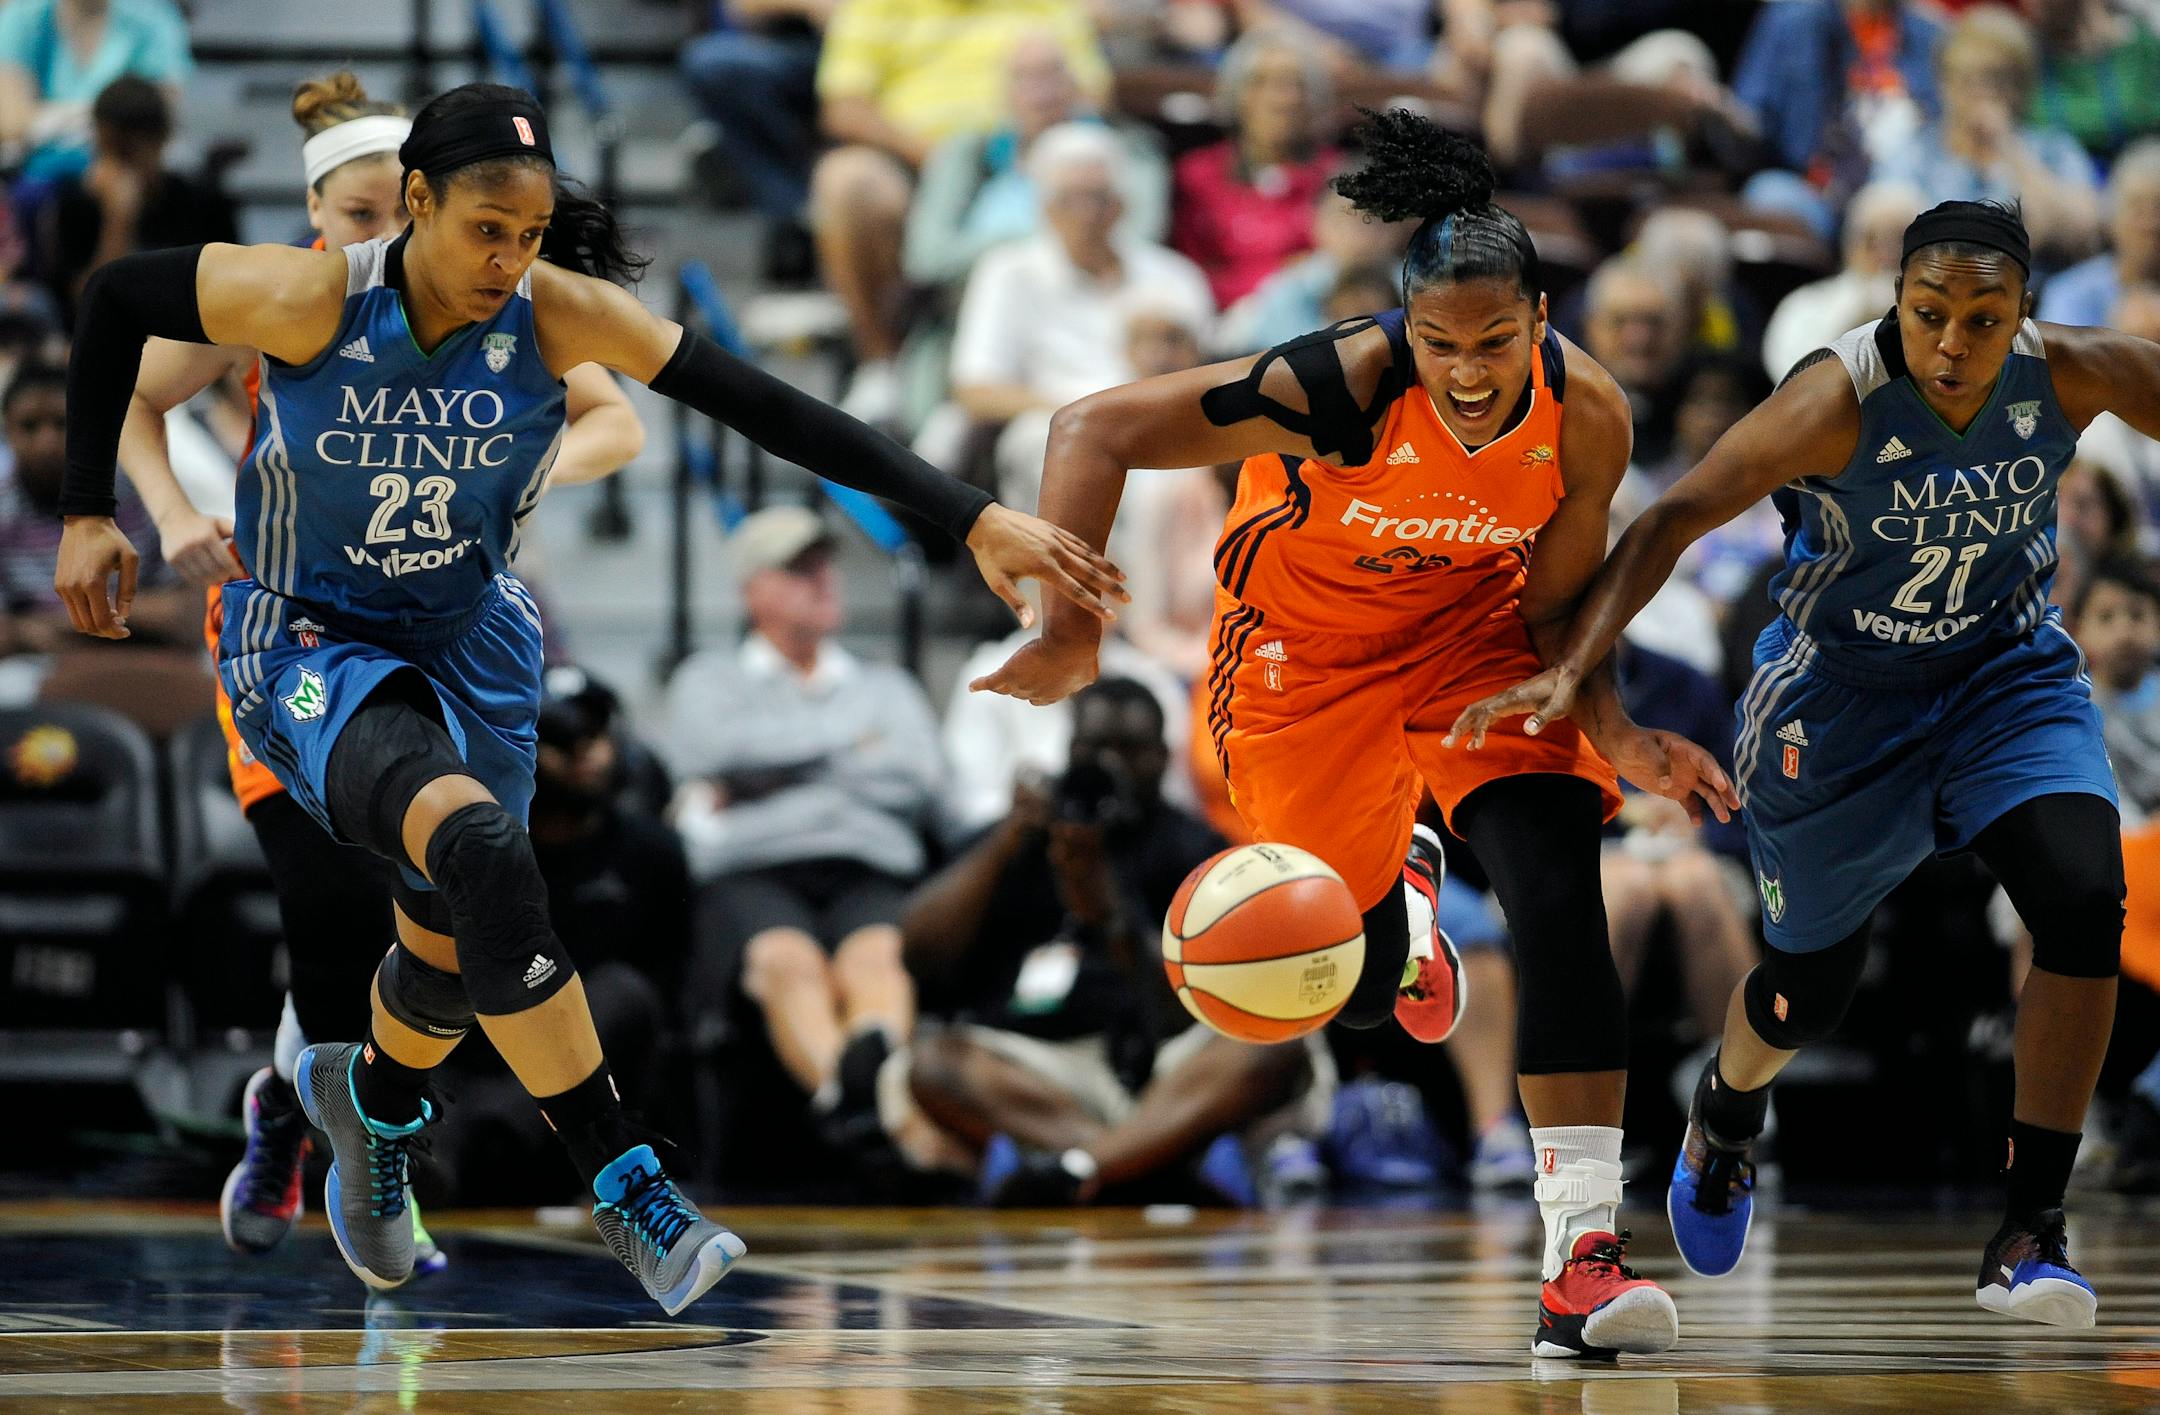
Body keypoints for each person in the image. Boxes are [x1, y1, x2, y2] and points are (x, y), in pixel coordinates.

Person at [52, 81, 1124, 1313]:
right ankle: (629, 1184)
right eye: (483, 230)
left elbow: (772, 408)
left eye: (529, 232)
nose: (509, 260)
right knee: (482, 845)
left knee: (451, 952)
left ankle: (375, 1105)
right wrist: (91, 512)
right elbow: (113, 301)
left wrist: (975, 514)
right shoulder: (307, 297)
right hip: (312, 637)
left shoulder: (559, 314)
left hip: (470, 640)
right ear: (413, 206)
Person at [972, 109, 1735, 1358]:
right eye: (1440, 343)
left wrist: (1616, 727)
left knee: (1558, 891)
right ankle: (1408, 902)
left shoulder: (1586, 414)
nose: (1470, 369)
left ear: (1543, 319)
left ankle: (1581, 1255)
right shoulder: (1332, 383)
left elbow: (1557, 604)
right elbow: (1091, 429)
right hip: (1298, 662)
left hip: (1476, 642)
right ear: (1406, 332)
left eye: (1496, 339)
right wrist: (1069, 631)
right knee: (1369, 990)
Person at [1453, 200, 2148, 1330]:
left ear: (2025, 312)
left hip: (2007, 680)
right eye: (1931, 316)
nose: (1955, 345)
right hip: (1838, 705)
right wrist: (1576, 663)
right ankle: (1725, 1116)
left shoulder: (2075, 373)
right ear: (1896, 305)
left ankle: (2031, 1227)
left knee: (2082, 897)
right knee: (1806, 987)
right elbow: (1669, 518)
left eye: (1984, 319)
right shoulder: (1835, 399)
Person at [102, 71, 653, 1272]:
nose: (385, 239)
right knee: (328, 902)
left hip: (440, 617)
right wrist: (172, 511)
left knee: (451, 899)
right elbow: (129, 396)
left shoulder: (490, 302)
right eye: (361, 217)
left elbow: (615, 412)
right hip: (298, 626)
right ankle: (321, 1138)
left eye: (390, 220)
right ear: (332, 213)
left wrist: (529, 469)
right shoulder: (293, 297)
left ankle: (332, 1122)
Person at [886, 677, 1331, 1205]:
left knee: (1273, 1045)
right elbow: (919, 952)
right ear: (1068, 749)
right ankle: (1139, 1166)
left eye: (1129, 750)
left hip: (1171, 1071)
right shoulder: (1023, 829)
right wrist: (1005, 842)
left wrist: (1109, 916)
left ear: (1164, 759)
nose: (1109, 764)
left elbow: (1181, 1012)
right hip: (1045, 1073)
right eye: (1093, 747)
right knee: (933, 1063)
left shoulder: (1198, 852)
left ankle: (1081, 1168)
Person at [665, 505, 943, 1148]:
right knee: (785, 961)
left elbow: (921, 779)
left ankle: (864, 1105)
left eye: (825, 565)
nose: (823, 580)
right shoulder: (709, 680)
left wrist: (770, 776)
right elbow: (712, 753)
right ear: (751, 589)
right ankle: (862, 1109)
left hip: (866, 865)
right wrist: (853, 749)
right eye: (798, 569)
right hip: (750, 871)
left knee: (879, 958)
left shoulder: (886, 683)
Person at [946, 121, 1214, 512]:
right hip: (1052, 423)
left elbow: (1206, 374)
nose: (1088, 214)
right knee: (1058, 447)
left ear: (1121, 205)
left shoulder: (1174, 276)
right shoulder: (1007, 272)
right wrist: (1083, 411)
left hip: (1160, 427)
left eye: (1100, 198)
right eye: (1072, 199)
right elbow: (977, 388)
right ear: (1046, 208)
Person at [1870, 8, 2101, 262]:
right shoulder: (1917, 151)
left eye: (1996, 79)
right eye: (1968, 79)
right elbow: (1880, 223)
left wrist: (2009, 149)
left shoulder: (2053, 149)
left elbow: (2084, 231)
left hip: (2036, 286)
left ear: (2022, 86)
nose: (1982, 92)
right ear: (1944, 84)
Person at [40, 75, 235, 324]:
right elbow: (83, 307)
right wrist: (118, 219)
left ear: (161, 140)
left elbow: (224, 296)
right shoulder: (75, 204)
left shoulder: (202, 204)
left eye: (125, 152)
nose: (114, 165)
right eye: (104, 150)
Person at [1168, 31, 1338, 311]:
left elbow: (1342, 273)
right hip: (1219, 328)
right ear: (1235, 94)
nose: (1284, 100)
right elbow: (1187, 273)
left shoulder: (1339, 177)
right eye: (1262, 83)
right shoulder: (1197, 176)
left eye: (1297, 85)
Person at [0, 0, 190, 181]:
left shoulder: (153, 16)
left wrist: (49, 120)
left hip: (129, 176)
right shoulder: (23, 15)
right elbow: (11, 122)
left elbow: (154, 118)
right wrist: (107, 116)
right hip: (35, 180)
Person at [2037, 140, 2160, 330]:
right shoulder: (2070, 294)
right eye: (2137, 208)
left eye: (2158, 207)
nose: (2150, 223)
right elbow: (2052, 357)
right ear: (2112, 219)